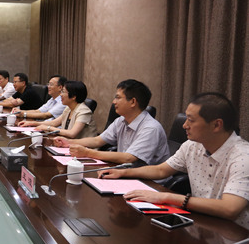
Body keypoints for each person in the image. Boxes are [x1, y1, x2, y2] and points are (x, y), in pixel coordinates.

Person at [99, 93, 249, 229]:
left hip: (235, 235)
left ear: (217, 125)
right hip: (202, 224)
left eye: (191, 120)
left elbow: (230, 209)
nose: (185, 125)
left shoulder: (243, 157)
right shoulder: (192, 146)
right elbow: (161, 170)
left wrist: (166, 197)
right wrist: (123, 172)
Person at [54, 79, 170, 166]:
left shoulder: (151, 128)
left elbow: (128, 158)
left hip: (150, 183)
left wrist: (87, 153)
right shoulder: (121, 121)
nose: (114, 102)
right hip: (126, 172)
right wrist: (68, 142)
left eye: (118, 97)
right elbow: (97, 140)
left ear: (133, 102)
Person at [18, 80, 97, 139]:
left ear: (73, 97)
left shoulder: (84, 111)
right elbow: (54, 123)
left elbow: (72, 134)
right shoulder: (69, 108)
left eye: (63, 92)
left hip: (83, 149)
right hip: (67, 144)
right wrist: (32, 123)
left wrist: (48, 128)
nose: (61, 95)